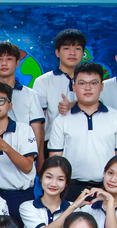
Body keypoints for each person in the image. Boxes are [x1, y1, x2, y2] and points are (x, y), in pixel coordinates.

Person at [49, 63, 117, 200]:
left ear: (102, 86)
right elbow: (55, 160)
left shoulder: (116, 117)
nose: (88, 88)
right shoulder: (61, 120)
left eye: (93, 83)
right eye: (82, 83)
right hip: (71, 188)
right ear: (74, 87)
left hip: (108, 187)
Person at [0, 82, 37, 228]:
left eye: (1, 101)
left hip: (21, 196)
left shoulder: (24, 130)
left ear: (10, 105)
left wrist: (5, 147)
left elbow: (27, 166)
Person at [32, 29, 87, 160]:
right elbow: (39, 124)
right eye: (67, 48)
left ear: (83, 53)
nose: (72, 53)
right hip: (52, 145)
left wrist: (73, 104)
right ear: (57, 52)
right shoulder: (43, 81)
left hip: (85, 143)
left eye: (77, 48)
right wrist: (40, 159)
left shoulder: (91, 81)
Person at [17, 156, 75, 228]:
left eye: (60, 179)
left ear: (67, 183)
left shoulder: (75, 208)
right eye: (49, 177)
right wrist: (72, 208)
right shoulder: (28, 207)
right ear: (41, 178)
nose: (53, 183)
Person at [0, 42, 44, 133]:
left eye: (9, 59)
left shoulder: (30, 95)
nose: (4, 63)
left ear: (17, 63)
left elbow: (37, 132)